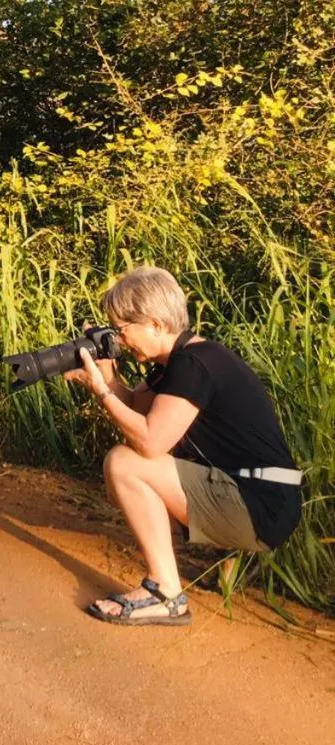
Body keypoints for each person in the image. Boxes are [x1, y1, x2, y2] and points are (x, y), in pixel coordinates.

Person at [66, 266, 302, 626]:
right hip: (261, 494)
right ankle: (179, 575)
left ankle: (165, 593)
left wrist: (101, 392)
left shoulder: (194, 365)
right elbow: (137, 408)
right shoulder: (177, 362)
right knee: (128, 465)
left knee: (125, 463)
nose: (120, 338)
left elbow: (149, 441)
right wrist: (108, 378)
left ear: (156, 324)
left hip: (260, 505)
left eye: (123, 328)